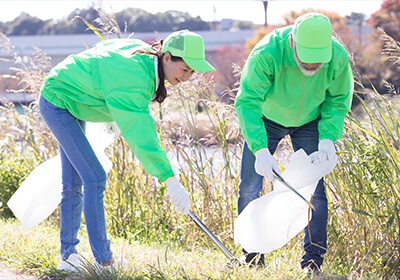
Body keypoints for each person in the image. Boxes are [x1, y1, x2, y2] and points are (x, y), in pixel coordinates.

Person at [38, 29, 215, 272]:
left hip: (74, 100)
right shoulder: (135, 77)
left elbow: (105, 52)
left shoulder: (143, 57)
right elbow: (141, 136)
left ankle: (68, 257)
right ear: (166, 57)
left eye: (192, 72)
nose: (187, 77)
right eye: (185, 69)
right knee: (94, 177)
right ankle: (104, 262)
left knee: (75, 181)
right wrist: (169, 178)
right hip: (58, 101)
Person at [234, 12, 353, 273]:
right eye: (306, 60)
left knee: (315, 194)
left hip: (311, 122)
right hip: (266, 119)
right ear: (292, 43)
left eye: (318, 62)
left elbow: (338, 99)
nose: (312, 67)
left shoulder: (338, 57)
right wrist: (260, 148)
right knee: (249, 187)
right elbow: (247, 102)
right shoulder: (266, 53)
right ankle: (252, 257)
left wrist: (328, 138)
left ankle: (312, 263)